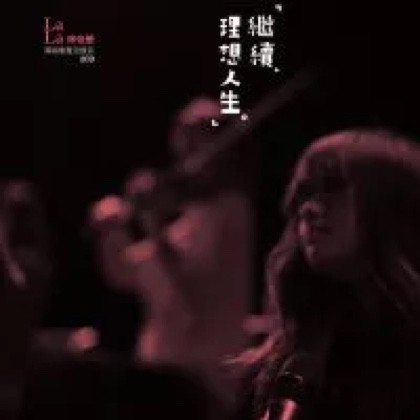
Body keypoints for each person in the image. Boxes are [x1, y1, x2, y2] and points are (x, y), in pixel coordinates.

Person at [235, 129, 420, 420]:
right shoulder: (298, 351)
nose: (308, 209)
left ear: (391, 202)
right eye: (305, 193)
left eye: (333, 187)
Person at [90, 96, 255, 411]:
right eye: (182, 140)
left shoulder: (231, 212)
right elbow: (125, 274)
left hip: (203, 380)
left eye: (198, 138)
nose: (187, 153)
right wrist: (111, 232)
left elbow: (191, 290)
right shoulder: (186, 222)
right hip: (161, 371)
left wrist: (152, 222)